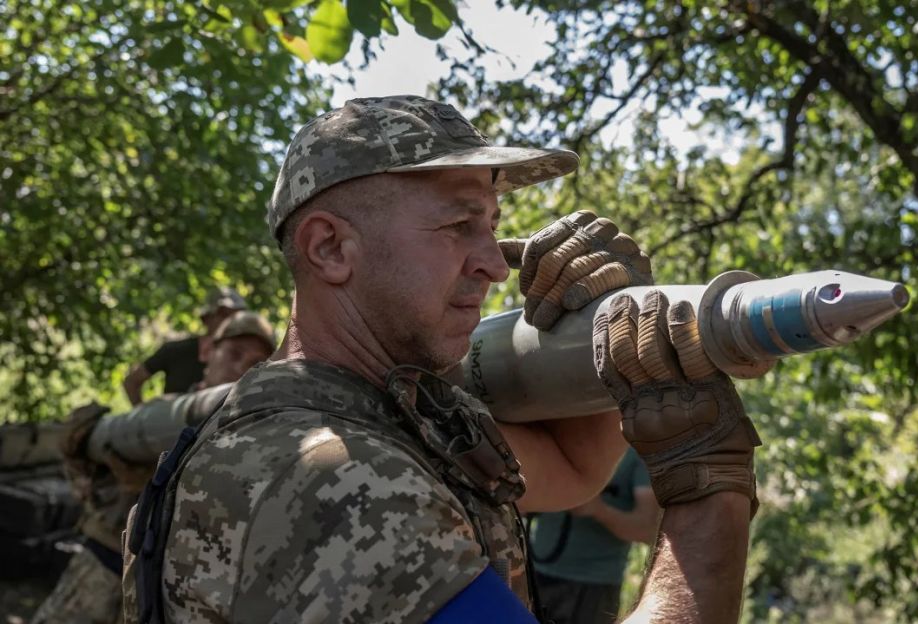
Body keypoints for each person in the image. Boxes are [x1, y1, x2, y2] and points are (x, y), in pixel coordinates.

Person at [122, 96, 761, 624]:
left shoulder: (367, 415)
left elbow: (572, 471)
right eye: (459, 225)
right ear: (330, 248)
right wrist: (708, 488)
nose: (493, 262)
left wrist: (600, 329)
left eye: (491, 222)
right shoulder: (339, 477)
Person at [31, 311, 276, 624]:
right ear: (206, 351)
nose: (242, 367)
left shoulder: (259, 433)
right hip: (104, 567)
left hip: (170, 591)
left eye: (256, 362)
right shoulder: (161, 415)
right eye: (235, 354)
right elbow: (82, 463)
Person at [529, 448, 659, 624]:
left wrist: (599, 510)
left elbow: (648, 530)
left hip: (593, 586)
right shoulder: (559, 437)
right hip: (537, 575)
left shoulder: (637, 452)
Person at [122, 287, 247, 404]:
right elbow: (132, 382)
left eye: (236, 316)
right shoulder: (176, 351)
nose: (230, 321)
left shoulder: (248, 358)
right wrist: (146, 421)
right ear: (206, 319)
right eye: (223, 314)